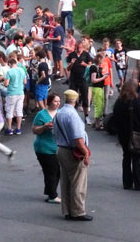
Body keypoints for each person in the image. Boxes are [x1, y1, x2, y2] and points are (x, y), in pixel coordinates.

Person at [53, 89, 92, 221]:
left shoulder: (59, 114)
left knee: (66, 182)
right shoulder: (72, 115)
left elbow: (55, 132)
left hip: (61, 149)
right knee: (78, 182)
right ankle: (77, 211)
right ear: (75, 100)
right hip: (73, 151)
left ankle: (67, 210)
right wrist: (86, 153)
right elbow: (78, 138)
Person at [112, 80, 140, 191]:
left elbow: (115, 118)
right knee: (136, 158)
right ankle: (138, 183)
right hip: (136, 134)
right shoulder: (137, 102)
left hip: (123, 134)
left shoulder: (119, 102)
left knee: (126, 157)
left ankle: (127, 182)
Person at [33, 92, 61, 203]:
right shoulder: (41, 114)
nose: (58, 103)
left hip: (57, 147)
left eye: (59, 101)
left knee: (56, 171)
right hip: (44, 147)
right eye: (55, 101)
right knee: (51, 171)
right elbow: (35, 130)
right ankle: (52, 195)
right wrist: (44, 127)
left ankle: (50, 192)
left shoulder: (60, 113)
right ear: (49, 102)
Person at [66, 41, 92, 124]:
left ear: (83, 47)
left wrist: (84, 64)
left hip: (83, 79)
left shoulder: (86, 55)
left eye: (80, 47)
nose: (78, 49)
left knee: (85, 97)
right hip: (73, 79)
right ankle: (73, 116)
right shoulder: (71, 55)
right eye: (77, 47)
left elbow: (91, 66)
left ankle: (86, 116)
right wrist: (72, 63)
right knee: (72, 97)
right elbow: (68, 69)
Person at [4, 58, 27, 135]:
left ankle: (10, 129)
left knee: (9, 111)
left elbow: (6, 84)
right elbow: (25, 81)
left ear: (10, 64)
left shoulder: (9, 71)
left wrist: (5, 84)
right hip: (20, 92)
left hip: (11, 93)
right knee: (19, 110)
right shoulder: (22, 70)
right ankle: (18, 129)